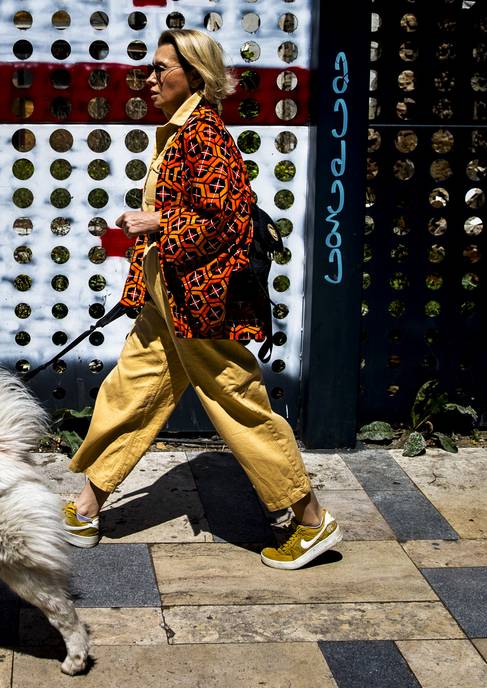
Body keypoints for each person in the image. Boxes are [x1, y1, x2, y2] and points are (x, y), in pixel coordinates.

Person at [62, 29, 341, 569]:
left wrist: (155, 220)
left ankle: (310, 521)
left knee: (237, 402)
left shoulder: (203, 134)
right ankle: (87, 506)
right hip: (170, 297)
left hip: (199, 303)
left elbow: (228, 217)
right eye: (152, 68)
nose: (150, 78)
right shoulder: (179, 131)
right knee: (132, 389)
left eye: (162, 68)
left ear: (195, 75)